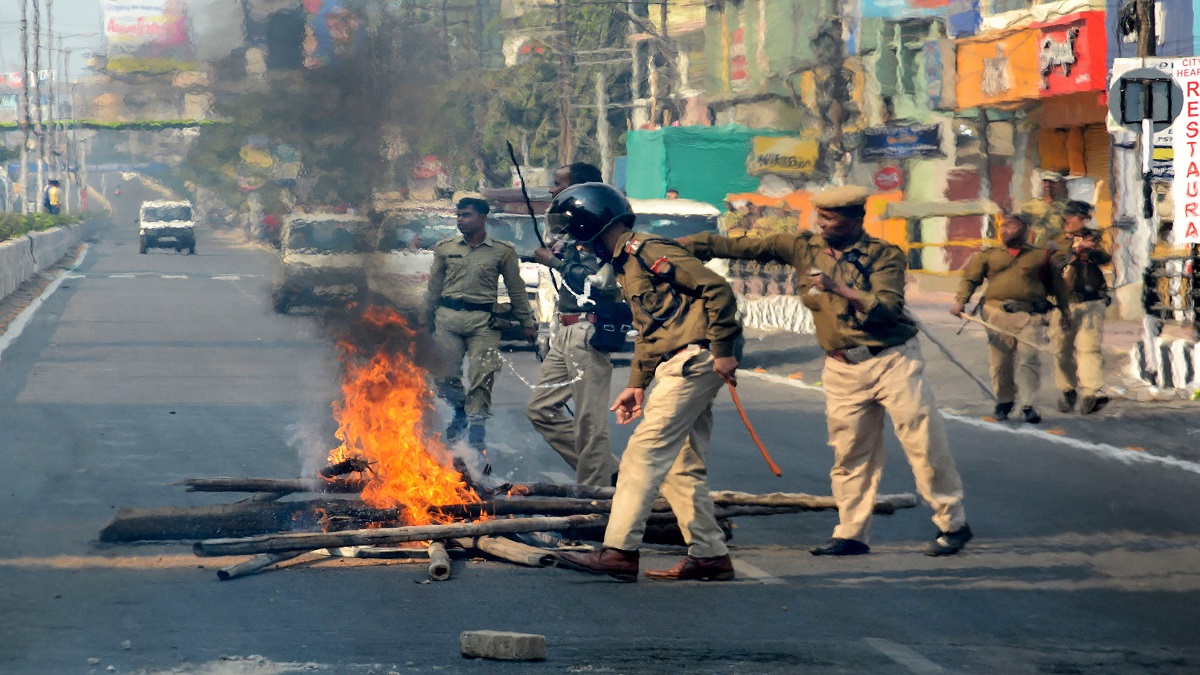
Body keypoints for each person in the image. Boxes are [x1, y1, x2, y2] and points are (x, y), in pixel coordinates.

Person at [684, 184, 970, 557]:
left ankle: (952, 523)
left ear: (855, 219)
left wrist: (840, 288)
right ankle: (851, 534)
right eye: (819, 216)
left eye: (831, 218)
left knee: (924, 444)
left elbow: (886, 306)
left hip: (891, 360)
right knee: (849, 453)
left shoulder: (884, 256)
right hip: (840, 367)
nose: (821, 224)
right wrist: (678, 245)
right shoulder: (803, 248)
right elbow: (741, 247)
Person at [553, 182, 742, 581]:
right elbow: (651, 330)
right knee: (680, 464)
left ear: (595, 226)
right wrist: (637, 384)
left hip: (695, 361)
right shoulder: (627, 267)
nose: (580, 246)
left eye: (580, 236)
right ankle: (710, 554)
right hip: (678, 362)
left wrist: (724, 349)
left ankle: (619, 551)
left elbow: (717, 288)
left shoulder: (649, 251)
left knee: (642, 455)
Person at [526, 163, 623, 487]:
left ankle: (594, 494)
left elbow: (599, 281)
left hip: (587, 329)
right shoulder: (574, 230)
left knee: (588, 422)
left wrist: (552, 260)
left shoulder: (601, 228)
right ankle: (609, 470)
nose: (552, 190)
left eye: (557, 184)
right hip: (565, 331)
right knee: (541, 410)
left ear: (579, 188)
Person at [426, 197, 537, 465]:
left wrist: (527, 323)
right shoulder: (445, 249)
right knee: (443, 376)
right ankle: (461, 410)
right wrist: (423, 321)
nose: (460, 220)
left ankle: (476, 429)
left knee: (482, 375)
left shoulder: (502, 252)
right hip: (448, 318)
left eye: (466, 215)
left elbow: (516, 290)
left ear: (483, 217)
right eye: (458, 215)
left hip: (483, 321)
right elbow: (432, 289)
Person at [952, 213, 1071, 424]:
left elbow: (1057, 286)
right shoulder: (988, 255)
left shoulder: (1040, 256)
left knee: (1029, 359)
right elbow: (970, 279)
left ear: (1026, 230)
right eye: (1003, 226)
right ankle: (1004, 401)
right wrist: (961, 301)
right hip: (995, 313)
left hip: (1030, 315)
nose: (1005, 229)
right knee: (1001, 362)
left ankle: (1029, 404)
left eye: (1011, 225)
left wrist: (1065, 311)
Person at [1048, 201, 1110, 415]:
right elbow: (1054, 264)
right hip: (1063, 303)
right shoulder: (1054, 240)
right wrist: (1076, 251)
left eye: (1085, 217)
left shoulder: (1094, 237)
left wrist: (1091, 250)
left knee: (1089, 348)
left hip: (1092, 300)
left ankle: (1091, 393)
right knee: (1062, 350)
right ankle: (1068, 390)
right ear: (1069, 217)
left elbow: (1106, 257)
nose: (1084, 221)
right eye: (1080, 217)